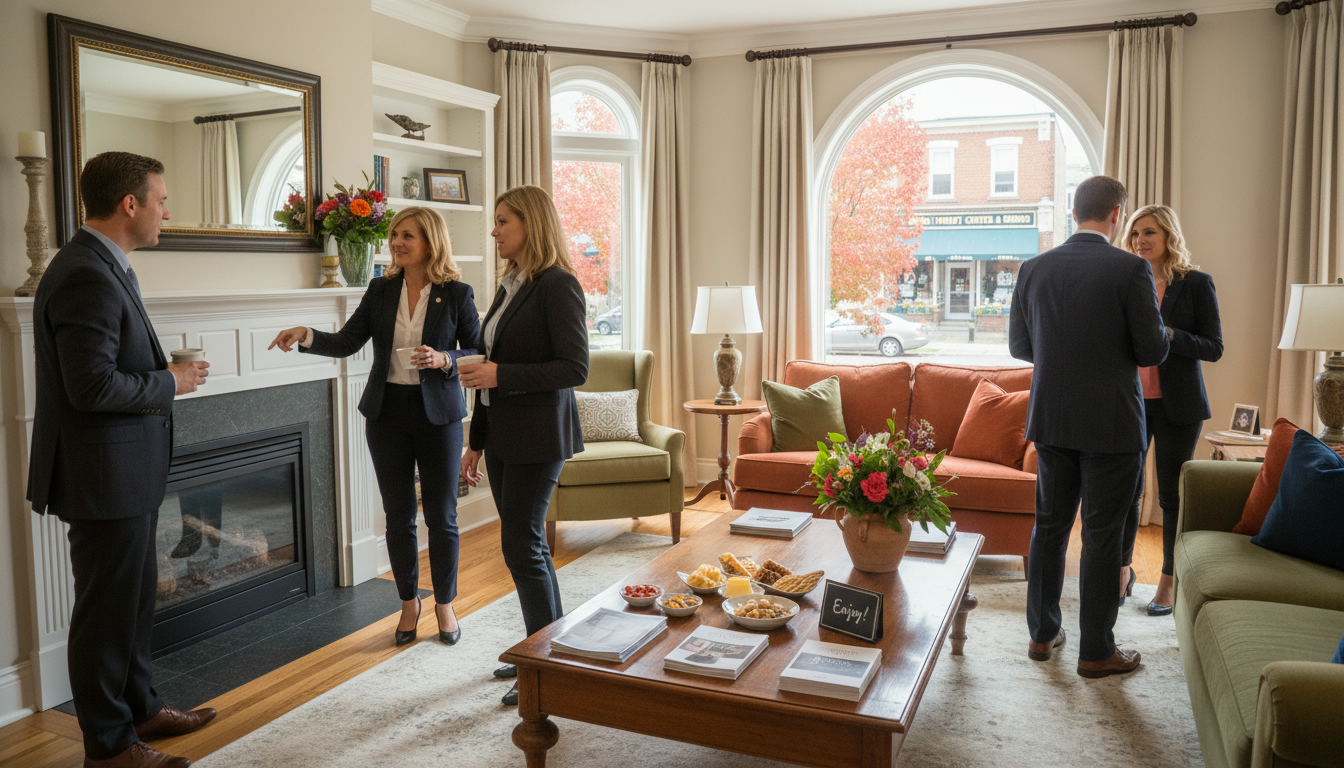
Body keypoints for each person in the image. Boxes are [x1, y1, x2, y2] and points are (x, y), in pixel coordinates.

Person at [27, 151, 215, 768]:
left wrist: (162, 375)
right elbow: (92, 387)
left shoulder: (106, 265)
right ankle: (108, 749)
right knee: (104, 615)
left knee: (132, 603)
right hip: (99, 475)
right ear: (129, 205)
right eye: (161, 200)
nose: (168, 211)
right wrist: (171, 383)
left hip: (121, 473)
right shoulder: (85, 272)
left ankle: (140, 710)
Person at [270, 207, 480, 646]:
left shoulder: (457, 293)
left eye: (408, 236)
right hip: (386, 414)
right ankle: (408, 602)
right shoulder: (380, 290)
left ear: (430, 242)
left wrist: (444, 360)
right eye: (394, 235)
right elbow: (348, 341)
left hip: (438, 415)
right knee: (398, 517)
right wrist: (306, 333)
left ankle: (445, 603)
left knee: (442, 517)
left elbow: (476, 352)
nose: (397, 243)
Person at [1008, 175, 1169, 679]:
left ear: (1074, 212)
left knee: (1050, 526)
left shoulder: (1034, 268)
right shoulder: (1130, 269)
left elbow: (1019, 347)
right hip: (1112, 424)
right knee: (1101, 535)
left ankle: (1041, 633)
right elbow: (1151, 349)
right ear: (1117, 214)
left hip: (1051, 419)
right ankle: (1096, 650)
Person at [458, 185, 588, 707]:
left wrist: (499, 372)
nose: (494, 231)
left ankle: (545, 665)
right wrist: (475, 442)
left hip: (540, 435)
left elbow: (574, 368)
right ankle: (548, 652)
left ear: (530, 224)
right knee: (524, 545)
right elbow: (488, 373)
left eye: (503, 221)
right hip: (506, 434)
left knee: (522, 544)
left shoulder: (559, 284)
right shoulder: (510, 284)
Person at [1117, 205, 1223, 616]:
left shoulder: (1195, 283)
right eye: (1134, 233)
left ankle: (1167, 579)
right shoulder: (1126, 281)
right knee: (1126, 489)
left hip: (1179, 405)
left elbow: (1213, 347)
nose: (1140, 240)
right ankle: (1122, 570)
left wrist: (1169, 334)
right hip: (1131, 401)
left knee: (1171, 496)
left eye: (1149, 233)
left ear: (1167, 237)